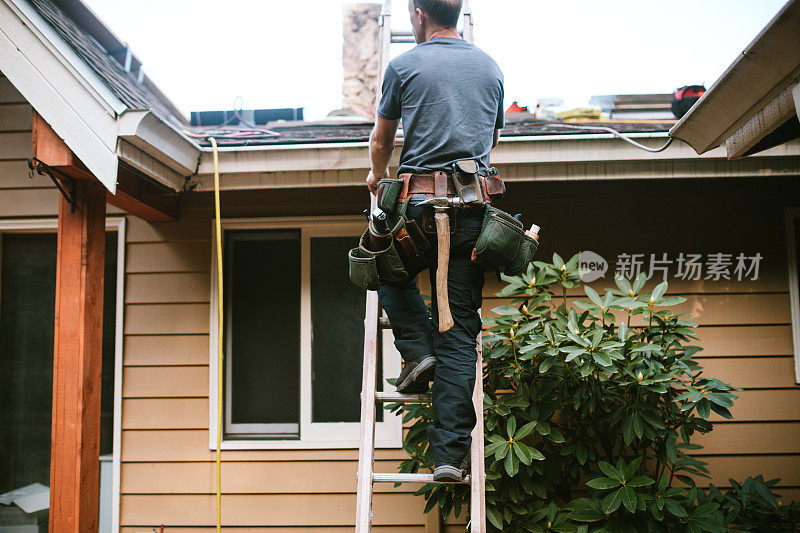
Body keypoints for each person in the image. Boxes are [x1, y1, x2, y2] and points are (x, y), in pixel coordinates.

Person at [365, 0, 504, 482]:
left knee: (383, 267)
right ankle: (449, 457)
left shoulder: (404, 65)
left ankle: (417, 348)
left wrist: (377, 176)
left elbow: (382, 142)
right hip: (471, 213)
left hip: (419, 211)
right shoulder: (490, 67)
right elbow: (491, 142)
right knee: (461, 332)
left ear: (418, 14)